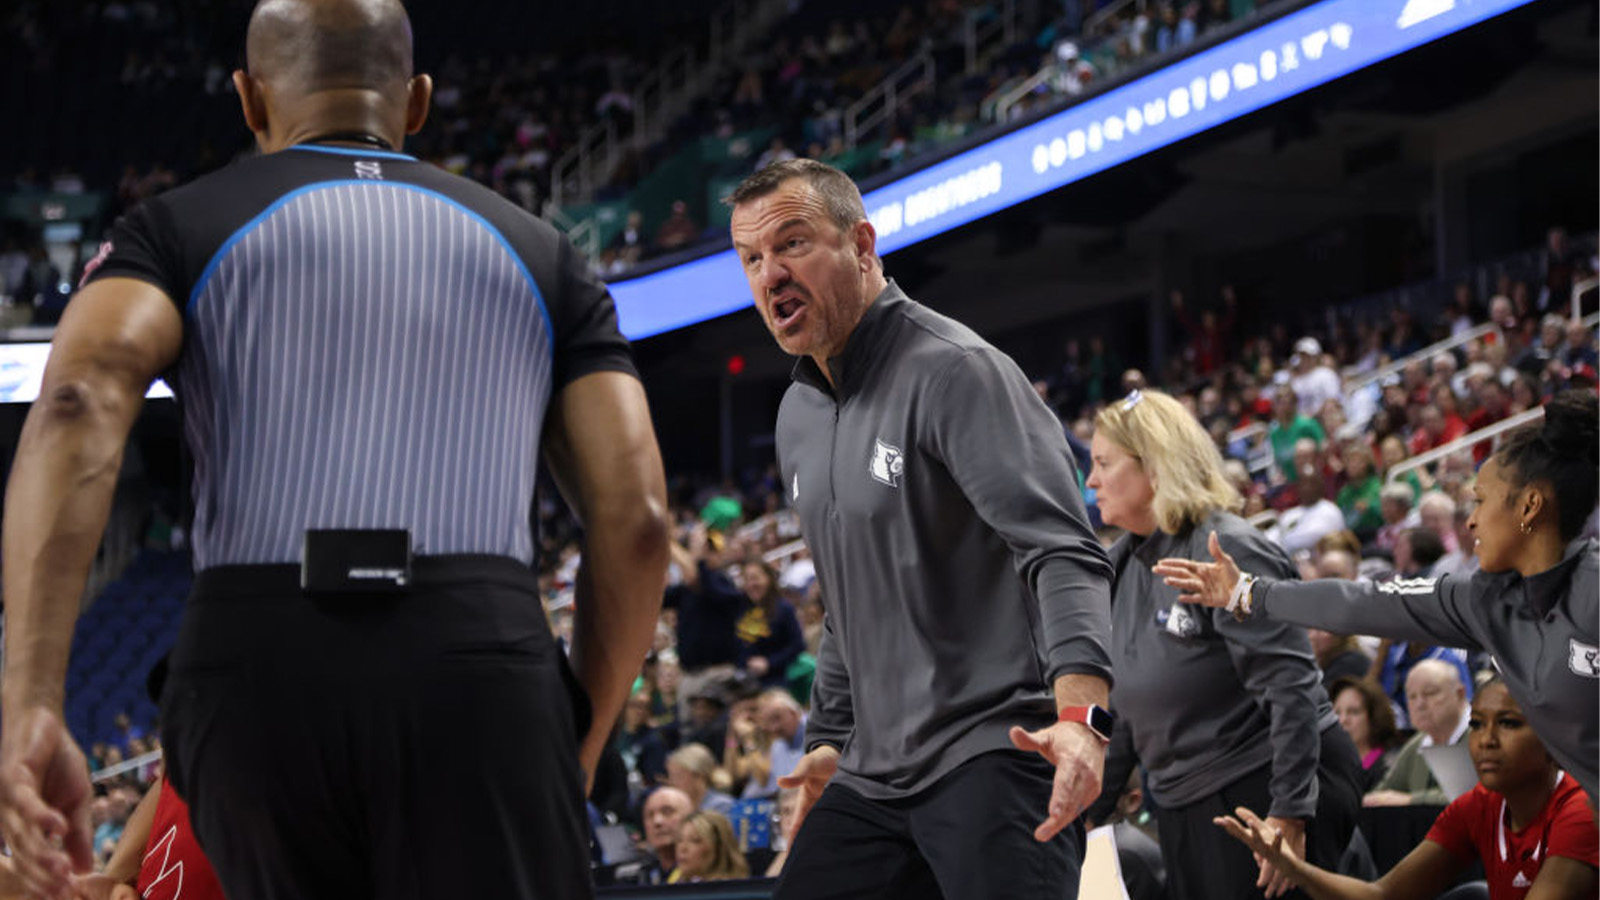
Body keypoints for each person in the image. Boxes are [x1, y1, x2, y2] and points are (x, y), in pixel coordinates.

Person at [0, 2, 672, 898]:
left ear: (248, 99)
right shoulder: (546, 256)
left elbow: (77, 401)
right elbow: (637, 526)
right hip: (478, 663)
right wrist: (577, 740)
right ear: (418, 102)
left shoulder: (171, 230)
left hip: (256, 669)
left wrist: (33, 702)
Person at [728, 158, 1114, 899]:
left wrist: (1084, 719)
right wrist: (828, 742)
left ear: (863, 245)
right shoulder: (797, 416)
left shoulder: (956, 371)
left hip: (993, 750)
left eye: (793, 244)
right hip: (874, 776)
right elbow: (845, 604)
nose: (770, 274)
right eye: (752, 259)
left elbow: (1061, 551)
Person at [1157, 391, 1600, 806]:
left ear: (1529, 507)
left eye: (1481, 501)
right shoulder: (1483, 599)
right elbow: (1361, 602)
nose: (1471, 521)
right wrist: (1248, 592)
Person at [1082, 389, 1363, 900]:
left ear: (1155, 466)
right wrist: (1087, 811)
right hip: (1185, 800)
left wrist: (1291, 810)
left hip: (1268, 783)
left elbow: (1291, 686)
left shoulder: (1226, 547)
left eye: (1103, 463)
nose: (1091, 480)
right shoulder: (1119, 567)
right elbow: (1126, 709)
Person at [1216, 678, 1598, 900]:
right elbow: (1382, 896)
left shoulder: (1583, 811)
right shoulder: (1477, 807)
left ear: (1554, 737)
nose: (1486, 741)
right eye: (1478, 724)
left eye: (1509, 724)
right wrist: (1295, 868)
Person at [1366, 660, 1473, 808]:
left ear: (1460, 694)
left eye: (1430, 693)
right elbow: (1384, 794)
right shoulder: (1416, 745)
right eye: (1412, 697)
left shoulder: (1481, 738)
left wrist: (1410, 800)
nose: (1420, 704)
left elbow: (1471, 798)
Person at [735, 558, 806, 688]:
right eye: (747, 580)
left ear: (768, 579)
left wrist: (769, 663)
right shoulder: (742, 609)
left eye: (755, 578)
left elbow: (798, 645)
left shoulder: (784, 608)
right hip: (746, 680)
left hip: (778, 678)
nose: (751, 584)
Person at [1328, 677, 1402, 790]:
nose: (1343, 720)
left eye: (1353, 712)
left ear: (1374, 717)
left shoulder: (1388, 766)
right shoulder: (1327, 768)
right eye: (1337, 713)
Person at [633, 786, 694, 885]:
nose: (657, 822)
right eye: (650, 815)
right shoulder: (640, 877)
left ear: (690, 818)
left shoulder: (705, 876)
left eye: (667, 812)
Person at [669, 811, 750, 883]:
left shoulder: (734, 891)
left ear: (718, 848)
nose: (683, 848)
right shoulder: (675, 886)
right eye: (679, 840)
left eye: (695, 840)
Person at [667, 743, 737, 817]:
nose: (671, 783)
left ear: (699, 777)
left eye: (678, 776)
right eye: (671, 776)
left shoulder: (722, 806)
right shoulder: (674, 808)